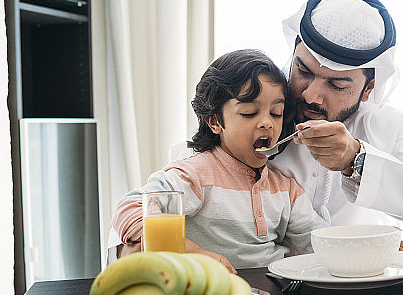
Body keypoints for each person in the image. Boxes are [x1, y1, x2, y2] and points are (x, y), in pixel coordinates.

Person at [269, 0, 403, 249]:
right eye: (303, 70)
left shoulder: (390, 126)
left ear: (368, 89)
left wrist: (356, 160)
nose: (311, 96)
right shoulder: (257, 112)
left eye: (336, 85)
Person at [111, 49, 326, 271]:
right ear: (214, 122)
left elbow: (319, 245)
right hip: (209, 294)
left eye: (276, 113)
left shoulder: (286, 190)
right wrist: (193, 253)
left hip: (274, 293)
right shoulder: (196, 174)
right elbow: (130, 207)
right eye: (249, 113)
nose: (266, 123)